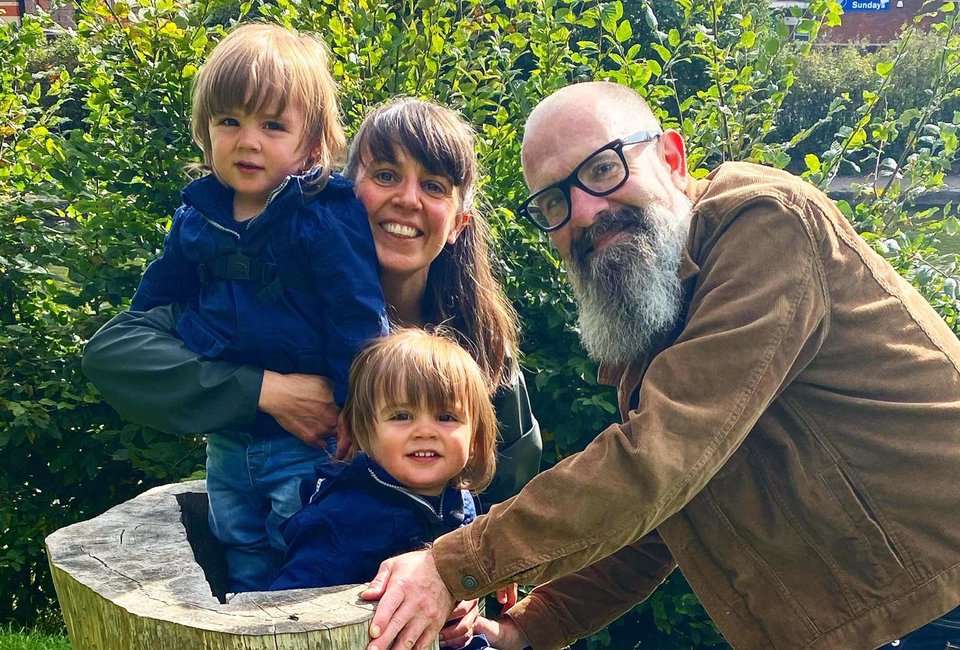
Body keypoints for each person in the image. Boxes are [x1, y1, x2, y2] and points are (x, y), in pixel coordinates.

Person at [357, 81, 960, 650]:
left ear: (672, 157)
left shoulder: (765, 225)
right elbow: (662, 514)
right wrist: (529, 627)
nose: (586, 212)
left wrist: (452, 565)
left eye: (602, 169)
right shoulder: (659, 311)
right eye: (554, 202)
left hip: (939, 604)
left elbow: (661, 457)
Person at [82, 95, 542, 630]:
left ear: (459, 220)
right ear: (344, 190)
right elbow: (115, 352)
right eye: (386, 174)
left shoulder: (480, 341)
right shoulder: (262, 296)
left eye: (434, 186)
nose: (407, 200)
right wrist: (265, 391)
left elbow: (508, 480)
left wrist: (469, 579)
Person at [125, 23, 388, 593]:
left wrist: (358, 409)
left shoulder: (320, 215)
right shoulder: (197, 217)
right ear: (205, 131)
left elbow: (358, 318)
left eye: (273, 125)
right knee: (238, 542)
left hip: (307, 440)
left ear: (311, 143)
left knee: (304, 548)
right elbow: (153, 303)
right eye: (230, 122)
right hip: (229, 437)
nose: (249, 141)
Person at [269, 329, 509, 650]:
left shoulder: (459, 499)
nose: (425, 431)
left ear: (475, 438)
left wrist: (480, 585)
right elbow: (288, 615)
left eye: (446, 416)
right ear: (366, 433)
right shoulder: (341, 519)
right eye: (402, 415)